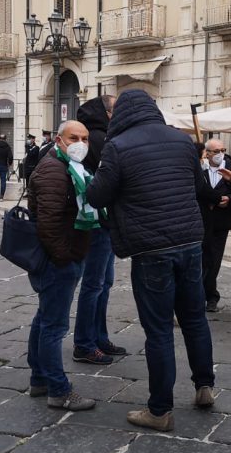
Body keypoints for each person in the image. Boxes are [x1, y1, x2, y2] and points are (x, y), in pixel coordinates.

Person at [87, 89, 215, 432]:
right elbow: (200, 187)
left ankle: (159, 410)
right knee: (195, 319)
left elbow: (97, 194)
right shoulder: (181, 140)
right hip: (189, 242)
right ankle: (205, 387)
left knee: (158, 330)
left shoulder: (117, 146)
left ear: (123, 114)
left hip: (151, 248)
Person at [26, 119, 97, 411]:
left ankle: (39, 379)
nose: (80, 143)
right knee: (54, 326)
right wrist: (64, 258)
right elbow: (49, 224)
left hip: (66, 255)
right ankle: (58, 390)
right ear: (59, 140)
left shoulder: (71, 167)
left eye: (85, 138)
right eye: (74, 137)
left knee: (44, 319)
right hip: (59, 260)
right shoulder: (54, 170)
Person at [73, 94, 127, 365]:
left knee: (102, 284)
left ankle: (98, 337)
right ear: (107, 112)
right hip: (97, 221)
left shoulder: (103, 136)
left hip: (103, 221)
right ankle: (85, 342)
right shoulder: (98, 138)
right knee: (95, 284)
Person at [199, 137, 231, 313]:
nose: (220, 154)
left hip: (220, 223)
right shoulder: (199, 168)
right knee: (201, 261)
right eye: (216, 151)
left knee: (214, 261)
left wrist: (229, 199)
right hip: (201, 221)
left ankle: (211, 296)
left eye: (223, 150)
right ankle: (201, 294)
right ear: (207, 153)